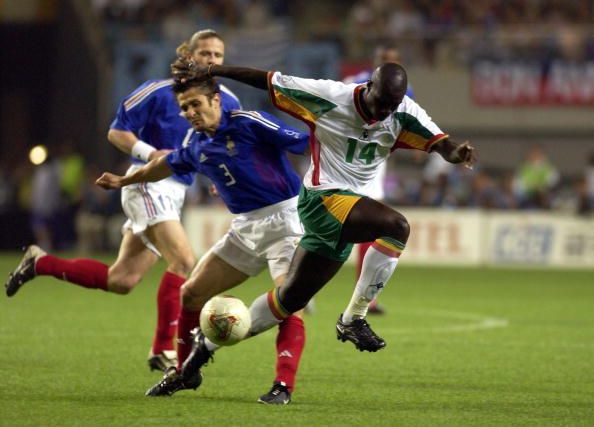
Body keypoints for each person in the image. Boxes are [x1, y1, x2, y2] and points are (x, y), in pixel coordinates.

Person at [169, 59, 476, 390]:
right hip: (322, 200)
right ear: (368, 88)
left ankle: (200, 354)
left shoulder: (405, 111)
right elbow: (268, 80)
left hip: (347, 214)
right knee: (396, 226)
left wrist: (457, 153)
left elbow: (442, 144)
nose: (385, 111)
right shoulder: (330, 96)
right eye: (381, 102)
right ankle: (354, 319)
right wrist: (216, 70)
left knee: (287, 301)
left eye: (392, 105)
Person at [5, 29, 241, 373]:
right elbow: (116, 131)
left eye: (218, 55)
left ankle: (39, 263)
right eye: (205, 53)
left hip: (176, 192)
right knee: (184, 260)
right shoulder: (157, 92)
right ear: (188, 55)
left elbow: (230, 146)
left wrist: (223, 177)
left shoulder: (228, 99)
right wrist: (149, 154)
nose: (212, 61)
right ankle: (164, 350)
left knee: (122, 280)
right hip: (147, 182)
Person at [96, 77, 309, 405]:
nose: (190, 112)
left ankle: (283, 385)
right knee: (191, 293)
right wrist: (125, 179)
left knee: (287, 300)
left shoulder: (247, 121)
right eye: (184, 107)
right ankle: (185, 372)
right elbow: (160, 166)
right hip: (246, 227)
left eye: (196, 104)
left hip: (287, 221)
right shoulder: (196, 144)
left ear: (216, 101)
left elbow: (304, 141)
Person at [343, 43, 414, 315]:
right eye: (385, 59)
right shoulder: (354, 83)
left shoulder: (405, 90)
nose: (391, 64)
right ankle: (296, 280)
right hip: (347, 162)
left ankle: (366, 297)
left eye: (395, 60)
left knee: (372, 230)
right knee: (324, 226)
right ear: (375, 62)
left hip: (374, 165)